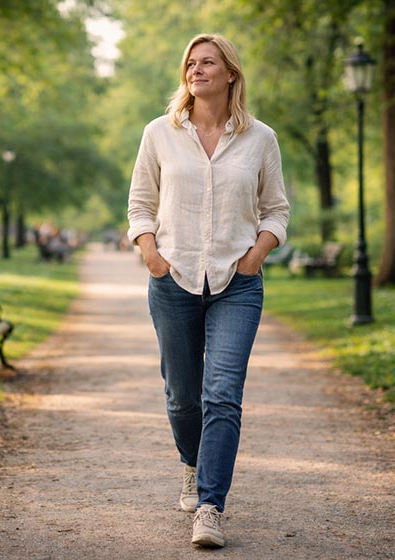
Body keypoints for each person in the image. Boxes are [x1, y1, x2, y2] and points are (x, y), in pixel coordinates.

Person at [126, 33, 290, 548]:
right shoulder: (160, 133)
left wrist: (256, 255)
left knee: (221, 394)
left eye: (208, 63)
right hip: (172, 280)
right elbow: (139, 204)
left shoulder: (260, 138)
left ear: (230, 74)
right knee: (181, 398)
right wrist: (152, 255)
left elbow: (277, 210)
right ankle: (191, 464)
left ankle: (210, 506)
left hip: (236, 284)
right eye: (191, 64)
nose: (197, 70)